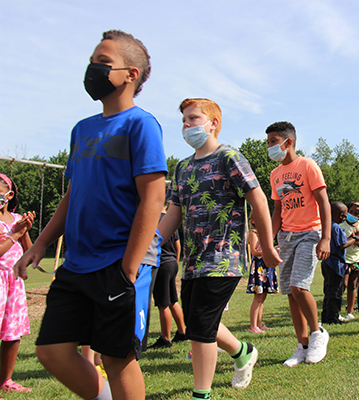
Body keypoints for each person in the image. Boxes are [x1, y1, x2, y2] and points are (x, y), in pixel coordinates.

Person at [14, 30, 166, 400]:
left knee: (117, 359)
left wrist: (129, 268)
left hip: (121, 260)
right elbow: (73, 193)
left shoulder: (140, 124)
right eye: (92, 61)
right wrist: (42, 243)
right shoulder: (81, 130)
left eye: (103, 62)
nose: (92, 69)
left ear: (130, 74)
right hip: (77, 262)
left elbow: (153, 197)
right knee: (51, 350)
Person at [158, 98, 281, 399]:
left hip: (225, 258)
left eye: (193, 118)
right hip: (191, 261)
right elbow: (173, 212)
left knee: (199, 329)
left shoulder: (229, 158)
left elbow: (259, 201)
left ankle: (201, 394)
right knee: (202, 321)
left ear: (213, 123)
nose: (187, 125)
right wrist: (149, 243)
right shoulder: (182, 167)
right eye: (184, 120)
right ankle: (243, 352)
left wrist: (267, 244)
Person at [266, 121, 331, 367]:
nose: (270, 147)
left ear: (288, 142)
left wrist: (325, 237)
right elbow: (277, 210)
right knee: (291, 294)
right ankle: (302, 346)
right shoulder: (275, 175)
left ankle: (317, 333)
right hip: (286, 236)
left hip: (310, 233)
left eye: (273, 142)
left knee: (299, 287)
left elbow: (324, 202)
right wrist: (269, 239)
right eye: (269, 142)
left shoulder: (307, 165)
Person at [0, 174, 34, 394]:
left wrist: (26, 230)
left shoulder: (16, 219)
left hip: (14, 283)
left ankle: (6, 380)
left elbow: (29, 252)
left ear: (9, 195)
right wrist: (14, 234)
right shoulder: (13, 228)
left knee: (13, 333)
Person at [147, 200, 186, 349]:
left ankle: (165, 338)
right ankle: (182, 332)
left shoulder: (154, 220)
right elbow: (178, 245)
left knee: (162, 303)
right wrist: (175, 262)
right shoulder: (170, 219)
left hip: (161, 264)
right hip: (171, 263)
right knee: (172, 300)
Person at [321, 202, 358, 324]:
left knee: (328, 291)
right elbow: (342, 245)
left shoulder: (327, 226)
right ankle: (333, 317)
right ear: (341, 216)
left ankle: (326, 316)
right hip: (336, 264)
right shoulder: (336, 227)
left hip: (327, 262)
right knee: (336, 292)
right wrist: (355, 238)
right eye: (346, 215)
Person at [246, 211, 279, 333]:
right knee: (258, 297)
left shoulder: (264, 234)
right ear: (252, 221)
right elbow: (254, 252)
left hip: (266, 265)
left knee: (263, 296)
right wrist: (270, 251)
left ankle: (259, 324)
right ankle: (253, 326)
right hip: (259, 267)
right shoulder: (253, 233)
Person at [340, 201, 359, 321]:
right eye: (351, 212)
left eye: (356, 213)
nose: (353, 215)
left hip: (356, 259)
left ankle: (350, 311)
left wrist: (358, 240)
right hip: (344, 259)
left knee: (353, 285)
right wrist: (354, 238)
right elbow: (342, 243)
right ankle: (336, 309)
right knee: (343, 285)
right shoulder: (341, 225)